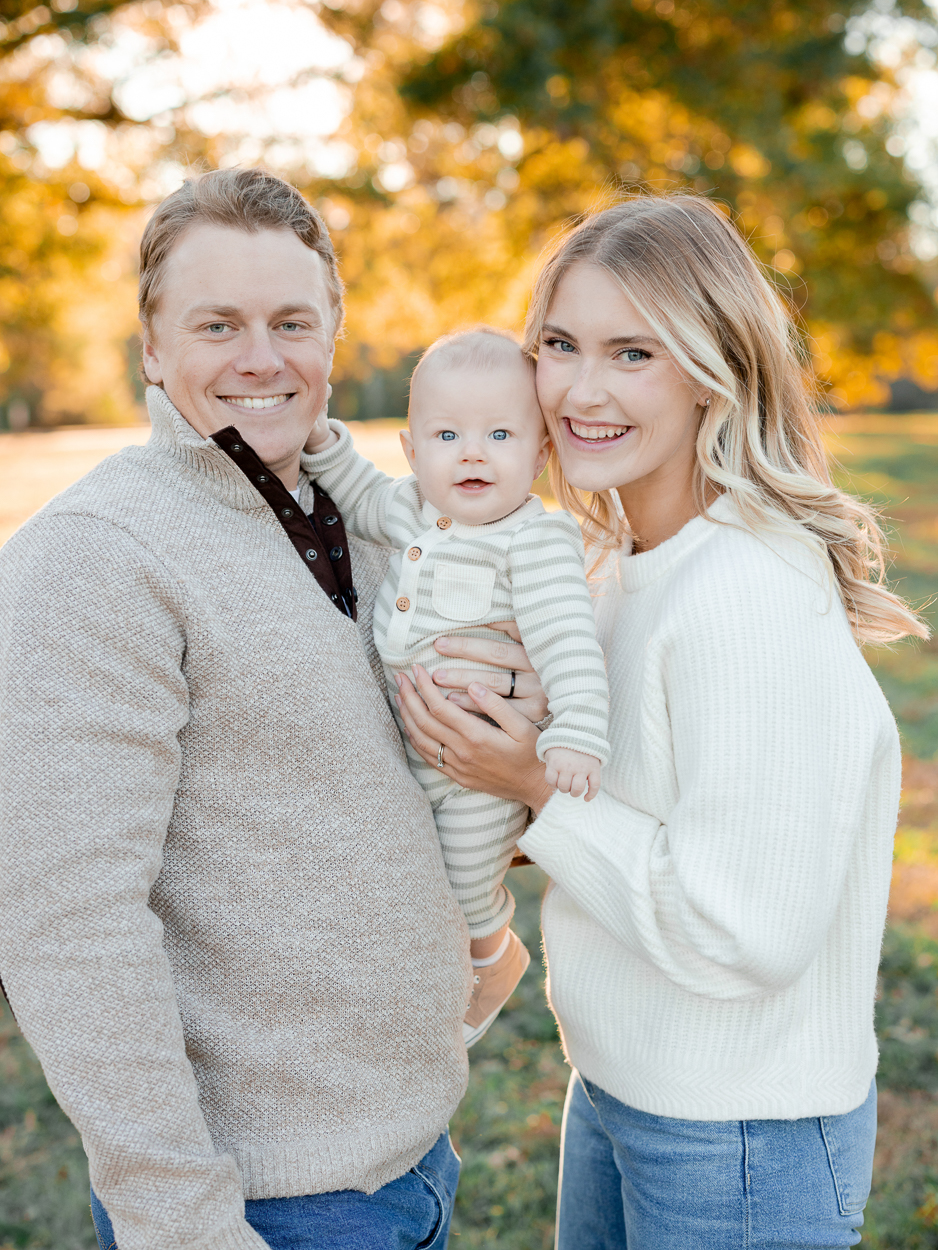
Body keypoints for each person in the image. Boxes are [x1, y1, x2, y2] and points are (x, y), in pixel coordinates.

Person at [394, 194, 928, 1249]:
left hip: (738, 1133)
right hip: (617, 1086)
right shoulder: (606, 566)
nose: (579, 391)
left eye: (631, 352)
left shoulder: (744, 591)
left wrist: (535, 788)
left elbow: (747, 930)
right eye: (559, 344)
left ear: (709, 369)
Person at [0, 166, 507, 1250]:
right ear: (149, 346)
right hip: (267, 1204)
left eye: (290, 321)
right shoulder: (96, 559)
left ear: (333, 334)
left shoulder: (356, 513)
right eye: (216, 323)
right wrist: (184, 1224)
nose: (261, 358)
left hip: (413, 1154)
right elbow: (67, 927)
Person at [303, 327, 610, 1046]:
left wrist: (576, 730)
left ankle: (491, 956)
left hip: (482, 775)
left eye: (499, 434)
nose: (472, 451)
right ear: (413, 453)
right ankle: (431, 975)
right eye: (446, 435)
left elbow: (569, 642)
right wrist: (320, 441)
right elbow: (356, 491)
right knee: (413, 886)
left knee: (469, 880)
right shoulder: (411, 507)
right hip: (410, 753)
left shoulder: (535, 541)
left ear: (540, 454)